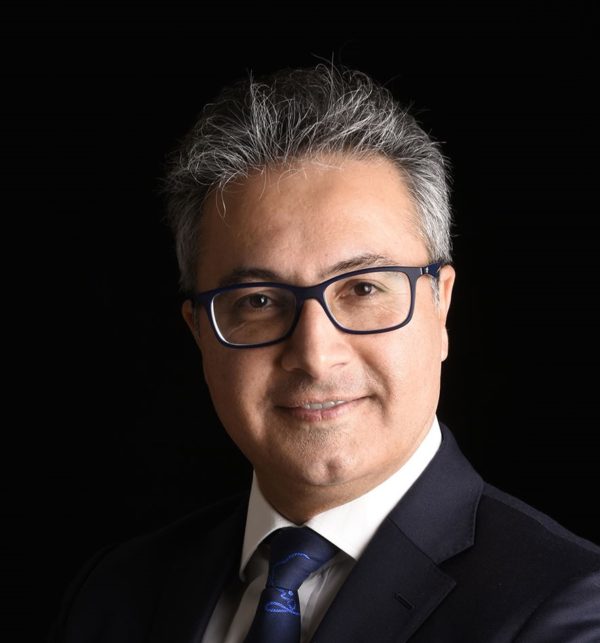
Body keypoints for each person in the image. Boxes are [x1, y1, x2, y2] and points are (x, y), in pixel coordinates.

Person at [50, 64, 600, 642]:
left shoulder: (566, 611)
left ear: (441, 307)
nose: (315, 355)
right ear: (200, 334)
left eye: (363, 289)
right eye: (259, 300)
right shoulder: (113, 596)